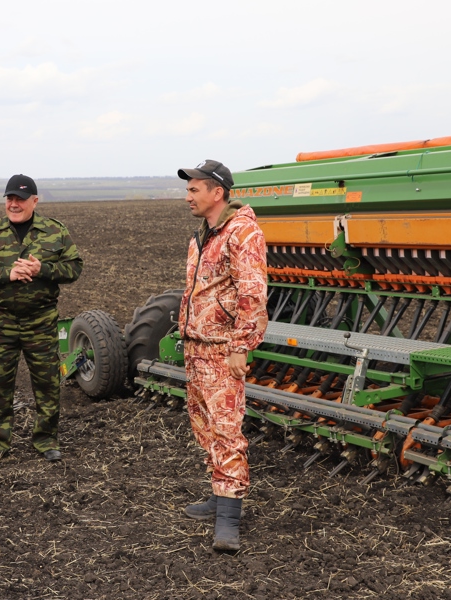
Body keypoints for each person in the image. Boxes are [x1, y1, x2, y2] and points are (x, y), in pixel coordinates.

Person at [176, 159, 268, 551]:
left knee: (227, 431)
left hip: (222, 351)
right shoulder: (204, 234)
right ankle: (218, 496)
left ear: (218, 192)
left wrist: (240, 346)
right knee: (205, 426)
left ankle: (229, 519)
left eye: (195, 189)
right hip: (197, 347)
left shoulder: (242, 232)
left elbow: (253, 293)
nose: (188, 196)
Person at [0, 174, 83, 466]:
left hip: (41, 322)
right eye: (9, 199)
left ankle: (46, 440)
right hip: (2, 323)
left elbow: (74, 268)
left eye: (19, 199)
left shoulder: (54, 231)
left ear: (34, 200)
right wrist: (7, 274)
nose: (13, 204)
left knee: (46, 383)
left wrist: (42, 268)